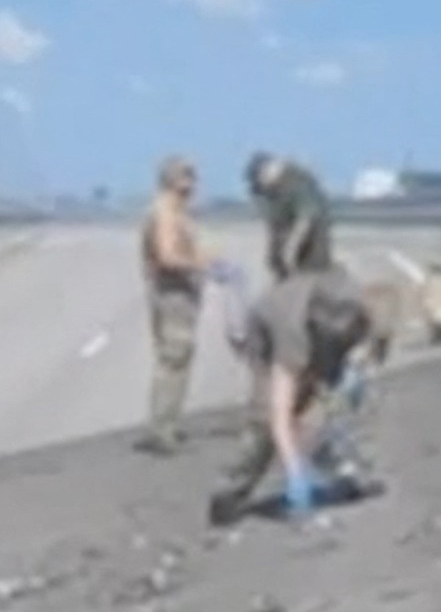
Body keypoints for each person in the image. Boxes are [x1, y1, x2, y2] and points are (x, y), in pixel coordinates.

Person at [209, 264, 378, 527]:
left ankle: (334, 463)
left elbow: (368, 346)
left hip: (313, 330)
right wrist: (295, 473)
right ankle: (231, 491)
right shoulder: (291, 338)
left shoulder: (353, 308)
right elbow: (279, 417)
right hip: (264, 337)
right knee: (266, 423)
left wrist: (352, 379)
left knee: (328, 407)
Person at [136, 155, 206, 454]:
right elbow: (167, 256)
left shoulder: (175, 211)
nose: (193, 184)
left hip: (179, 294)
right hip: (172, 294)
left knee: (177, 360)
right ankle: (161, 430)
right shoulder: (165, 212)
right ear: (174, 180)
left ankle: (166, 424)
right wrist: (201, 265)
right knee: (173, 359)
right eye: (188, 177)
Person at [244, 151, 335, 282]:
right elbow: (272, 223)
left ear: (266, 173)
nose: (260, 189)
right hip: (287, 226)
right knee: (276, 262)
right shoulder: (269, 192)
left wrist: (290, 250)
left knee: (311, 269)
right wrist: (275, 252)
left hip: (313, 230)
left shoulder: (296, 182)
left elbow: (306, 220)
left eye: (259, 182)